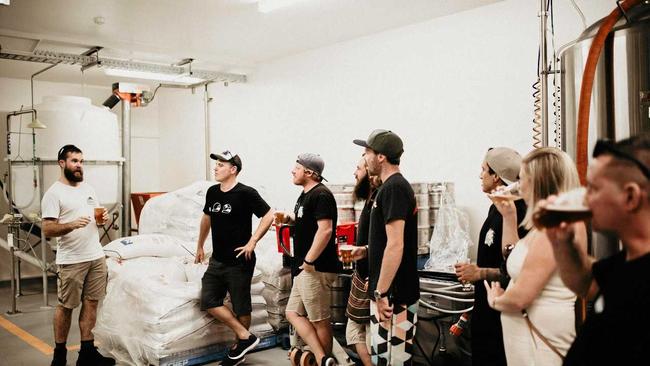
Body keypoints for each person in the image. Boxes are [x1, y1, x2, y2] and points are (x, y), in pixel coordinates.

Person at [543, 133, 650, 365]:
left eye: (593, 188)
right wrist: (562, 242)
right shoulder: (626, 261)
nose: (585, 199)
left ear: (630, 196)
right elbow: (587, 284)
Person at [484, 147, 587, 365]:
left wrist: (496, 300)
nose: (517, 184)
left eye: (522, 178)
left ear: (539, 181)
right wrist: (509, 217)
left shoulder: (556, 227)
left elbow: (521, 297)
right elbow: (512, 254)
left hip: (539, 345)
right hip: (530, 343)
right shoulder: (549, 223)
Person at [195, 150, 274, 362]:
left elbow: (269, 216)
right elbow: (206, 218)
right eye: (216, 164)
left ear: (233, 170)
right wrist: (200, 245)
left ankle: (239, 349)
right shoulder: (212, 192)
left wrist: (253, 241)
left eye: (221, 165)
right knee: (209, 301)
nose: (216, 168)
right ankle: (245, 336)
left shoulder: (246, 193)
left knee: (242, 306)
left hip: (240, 261)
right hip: (217, 260)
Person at [42, 144, 115, 366]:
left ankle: (87, 353)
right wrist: (72, 224)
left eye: (81, 161)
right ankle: (60, 355)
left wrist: (103, 219)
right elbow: (47, 229)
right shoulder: (53, 194)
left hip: (95, 256)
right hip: (71, 260)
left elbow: (98, 217)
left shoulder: (88, 189)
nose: (79, 166)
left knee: (92, 303)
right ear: (62, 163)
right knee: (66, 307)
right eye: (74, 161)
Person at [454, 147, 528, 366]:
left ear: (496, 176)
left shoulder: (517, 212)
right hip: (488, 309)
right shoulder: (497, 209)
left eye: (483, 170)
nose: (480, 175)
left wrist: (479, 272)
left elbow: (517, 269)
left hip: (505, 312)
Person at [351, 129, 419, 366]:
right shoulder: (386, 188)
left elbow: (396, 244)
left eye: (367, 152)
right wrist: (368, 250)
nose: (365, 157)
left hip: (394, 295)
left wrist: (381, 292)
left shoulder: (395, 188)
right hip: (388, 292)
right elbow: (387, 242)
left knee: (394, 360)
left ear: (381, 156)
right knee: (382, 358)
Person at [280, 153, 341, 366]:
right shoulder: (304, 196)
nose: (292, 171)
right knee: (291, 312)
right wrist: (289, 220)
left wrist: (309, 260)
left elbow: (325, 231)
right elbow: (308, 224)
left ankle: (325, 360)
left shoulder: (321, 194)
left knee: (320, 320)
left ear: (309, 172)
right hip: (303, 268)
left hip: (315, 267)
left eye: (296, 168)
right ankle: (322, 358)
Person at [345, 157, 380, 366]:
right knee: (354, 330)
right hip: (362, 274)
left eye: (358, 168)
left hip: (371, 277)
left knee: (368, 332)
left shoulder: (378, 198)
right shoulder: (369, 199)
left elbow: (386, 244)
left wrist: (372, 276)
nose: (354, 173)